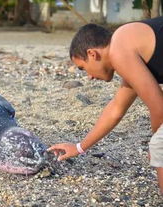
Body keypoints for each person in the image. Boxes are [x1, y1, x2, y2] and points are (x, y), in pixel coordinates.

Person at [47, 16, 163, 193]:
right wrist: (79, 147)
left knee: (159, 147)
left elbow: (159, 108)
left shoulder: (119, 50)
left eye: (83, 68)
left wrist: (156, 142)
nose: (89, 77)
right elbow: (116, 108)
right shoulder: (126, 46)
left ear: (92, 54)